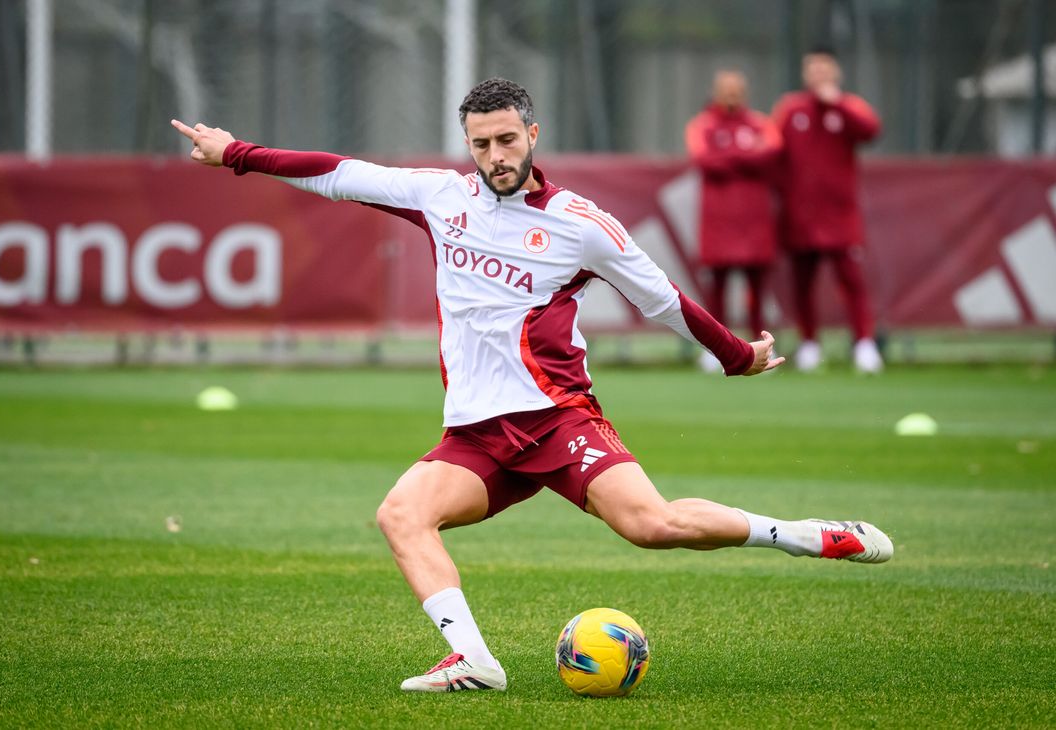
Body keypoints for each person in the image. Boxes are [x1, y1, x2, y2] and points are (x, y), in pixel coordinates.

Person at [172, 77, 893, 694]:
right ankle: (475, 660)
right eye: (481, 144)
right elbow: (335, 172)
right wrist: (234, 153)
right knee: (401, 515)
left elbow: (663, 299)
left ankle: (804, 536)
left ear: (532, 135)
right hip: (478, 436)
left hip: (556, 420)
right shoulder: (440, 198)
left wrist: (736, 356)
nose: (495, 157)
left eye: (507, 141)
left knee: (653, 526)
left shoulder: (582, 225)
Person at [772, 47, 883, 373]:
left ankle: (864, 344)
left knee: (852, 281)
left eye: (825, 69)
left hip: (840, 217)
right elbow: (772, 152)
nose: (819, 75)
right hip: (800, 217)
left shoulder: (849, 107)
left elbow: (871, 130)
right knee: (803, 284)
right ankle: (809, 344)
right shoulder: (790, 109)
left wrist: (836, 103)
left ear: (836, 73)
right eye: (813, 69)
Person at [686, 70, 782, 373]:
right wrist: (744, 156)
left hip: (754, 221)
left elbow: (772, 153)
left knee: (756, 288)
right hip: (718, 222)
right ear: (715, 91)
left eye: (736, 89)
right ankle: (715, 349)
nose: (731, 95)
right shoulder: (702, 124)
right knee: (717, 289)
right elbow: (704, 160)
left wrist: (727, 156)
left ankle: (762, 347)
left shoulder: (760, 123)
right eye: (726, 89)